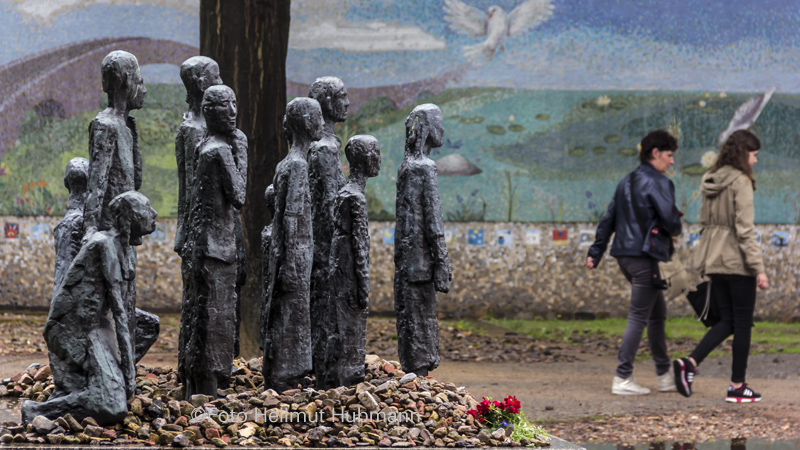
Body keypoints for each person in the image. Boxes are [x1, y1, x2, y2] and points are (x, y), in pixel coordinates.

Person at [21, 191, 157, 425]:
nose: (153, 214)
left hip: (98, 322)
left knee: (149, 326)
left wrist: (125, 368)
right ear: (131, 217)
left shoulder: (120, 246)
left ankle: (102, 380)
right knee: (112, 406)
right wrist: (129, 373)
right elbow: (119, 312)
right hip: (74, 329)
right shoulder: (104, 245)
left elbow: (119, 311)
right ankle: (37, 410)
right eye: (147, 209)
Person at [673, 129, 769, 403]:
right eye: (753, 155)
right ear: (743, 154)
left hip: (714, 259)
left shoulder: (710, 179)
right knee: (743, 324)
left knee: (728, 321)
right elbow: (744, 229)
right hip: (737, 262)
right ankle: (737, 386)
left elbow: (704, 225)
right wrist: (758, 267)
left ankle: (689, 364)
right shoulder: (741, 181)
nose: (755, 161)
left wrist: (705, 260)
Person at [586, 129, 683, 395]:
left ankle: (664, 375)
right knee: (639, 316)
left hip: (625, 256)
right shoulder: (659, 182)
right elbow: (671, 223)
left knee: (656, 314)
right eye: (670, 155)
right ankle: (623, 377)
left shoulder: (626, 181)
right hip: (647, 257)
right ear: (655, 153)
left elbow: (608, 219)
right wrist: (676, 219)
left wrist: (596, 252)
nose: (672, 161)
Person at [181, 85, 246, 398]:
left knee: (205, 315)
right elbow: (240, 195)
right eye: (225, 106)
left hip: (203, 245)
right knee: (215, 319)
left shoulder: (203, 145)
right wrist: (240, 151)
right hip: (217, 249)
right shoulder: (220, 149)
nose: (232, 112)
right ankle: (208, 387)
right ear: (210, 111)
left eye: (234, 105)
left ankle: (198, 384)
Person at [262, 97, 323, 392]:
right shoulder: (298, 166)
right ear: (307, 123)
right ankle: (288, 375)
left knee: (289, 312)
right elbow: (291, 217)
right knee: (293, 314)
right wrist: (290, 261)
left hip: (289, 253)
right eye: (318, 117)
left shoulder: (288, 162)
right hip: (294, 254)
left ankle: (283, 372)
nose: (322, 123)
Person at [318, 135, 381, 389]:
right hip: (348, 273)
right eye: (376, 153)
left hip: (341, 267)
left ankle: (339, 374)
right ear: (366, 159)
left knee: (342, 322)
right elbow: (359, 247)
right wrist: (364, 286)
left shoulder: (346, 193)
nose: (379, 159)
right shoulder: (355, 197)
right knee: (349, 322)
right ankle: (346, 377)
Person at [394, 104, 452, 377]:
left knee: (413, 319)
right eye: (439, 123)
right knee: (422, 319)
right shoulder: (425, 167)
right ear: (428, 128)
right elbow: (433, 220)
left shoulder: (405, 166)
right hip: (421, 264)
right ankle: (419, 372)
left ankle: (415, 368)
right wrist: (442, 260)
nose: (442, 129)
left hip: (408, 263)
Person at [307, 76, 349, 375]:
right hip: (324, 247)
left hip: (325, 246)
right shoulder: (324, 148)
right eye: (342, 96)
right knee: (322, 308)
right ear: (327, 102)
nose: (347, 102)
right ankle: (321, 369)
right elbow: (330, 204)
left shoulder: (329, 144)